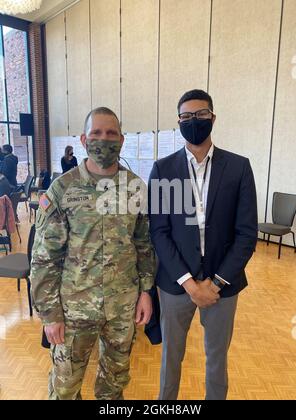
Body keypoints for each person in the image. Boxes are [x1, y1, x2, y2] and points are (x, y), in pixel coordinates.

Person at [30, 107, 154, 400]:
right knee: (65, 388)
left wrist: (146, 291)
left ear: (121, 140)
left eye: (111, 133)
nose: (104, 140)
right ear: (84, 139)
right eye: (96, 133)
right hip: (73, 311)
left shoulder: (135, 187)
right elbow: (44, 258)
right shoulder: (63, 189)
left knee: (114, 386)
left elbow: (144, 244)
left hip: (122, 308)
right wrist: (50, 314)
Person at [148, 89, 258, 400]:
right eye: (186, 117)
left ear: (213, 118)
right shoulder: (164, 170)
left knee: (217, 360)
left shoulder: (238, 167)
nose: (194, 121)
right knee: (171, 358)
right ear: (179, 122)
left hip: (222, 286)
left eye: (201, 115)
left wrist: (215, 283)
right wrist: (189, 283)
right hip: (175, 284)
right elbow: (160, 231)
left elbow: (246, 233)